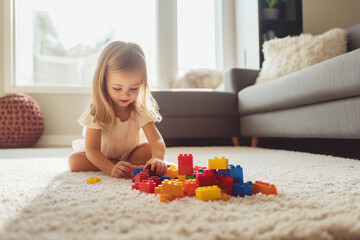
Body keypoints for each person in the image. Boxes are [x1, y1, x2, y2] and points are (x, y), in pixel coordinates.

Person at [68, 41, 167, 178]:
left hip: (131, 154)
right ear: (103, 82)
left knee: (150, 149)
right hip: (102, 156)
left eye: (133, 88)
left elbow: (157, 141)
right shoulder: (97, 111)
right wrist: (111, 168)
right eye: (117, 88)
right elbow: (92, 150)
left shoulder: (140, 110)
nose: (125, 94)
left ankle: (125, 165)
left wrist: (157, 158)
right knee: (75, 161)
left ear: (142, 83)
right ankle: (121, 165)